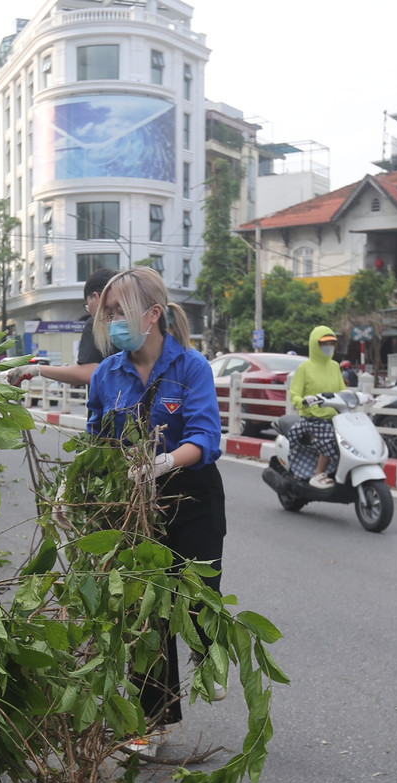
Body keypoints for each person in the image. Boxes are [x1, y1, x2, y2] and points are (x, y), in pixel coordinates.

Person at [86, 267, 225, 754]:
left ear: (153, 315)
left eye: (119, 312)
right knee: (144, 614)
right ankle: (151, 724)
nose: (112, 322)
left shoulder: (191, 368)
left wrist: (162, 462)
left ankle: (210, 654)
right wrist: (77, 493)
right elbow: (96, 443)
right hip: (135, 507)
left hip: (192, 497)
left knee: (195, 597)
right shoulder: (107, 376)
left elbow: (207, 438)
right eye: (108, 314)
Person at [9, 267, 117, 389]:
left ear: (96, 298)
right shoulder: (136, 326)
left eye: (87, 305)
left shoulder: (95, 324)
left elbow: (87, 372)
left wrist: (36, 369)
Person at [287, 326, 347, 489]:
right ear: (315, 345)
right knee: (329, 437)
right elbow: (295, 394)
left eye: (331, 343)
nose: (329, 347)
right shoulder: (305, 368)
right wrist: (304, 400)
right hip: (313, 418)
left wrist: (359, 396)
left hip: (335, 416)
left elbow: (343, 390)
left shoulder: (335, 366)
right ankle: (318, 474)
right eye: (324, 343)